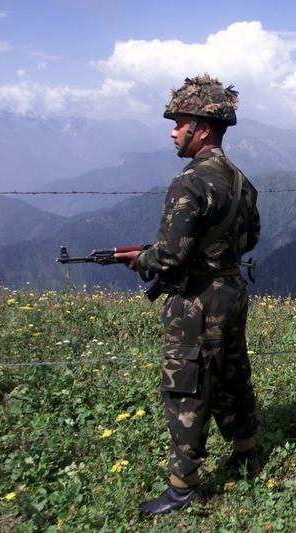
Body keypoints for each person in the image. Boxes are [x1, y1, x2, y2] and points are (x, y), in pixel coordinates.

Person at [117, 74, 261, 516]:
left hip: (197, 301)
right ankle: (247, 451)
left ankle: (182, 487)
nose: (173, 131)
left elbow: (171, 256)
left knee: (188, 386)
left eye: (179, 123)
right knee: (233, 371)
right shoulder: (238, 179)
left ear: (201, 128)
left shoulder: (190, 182)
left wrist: (142, 259)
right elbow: (250, 238)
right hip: (232, 290)